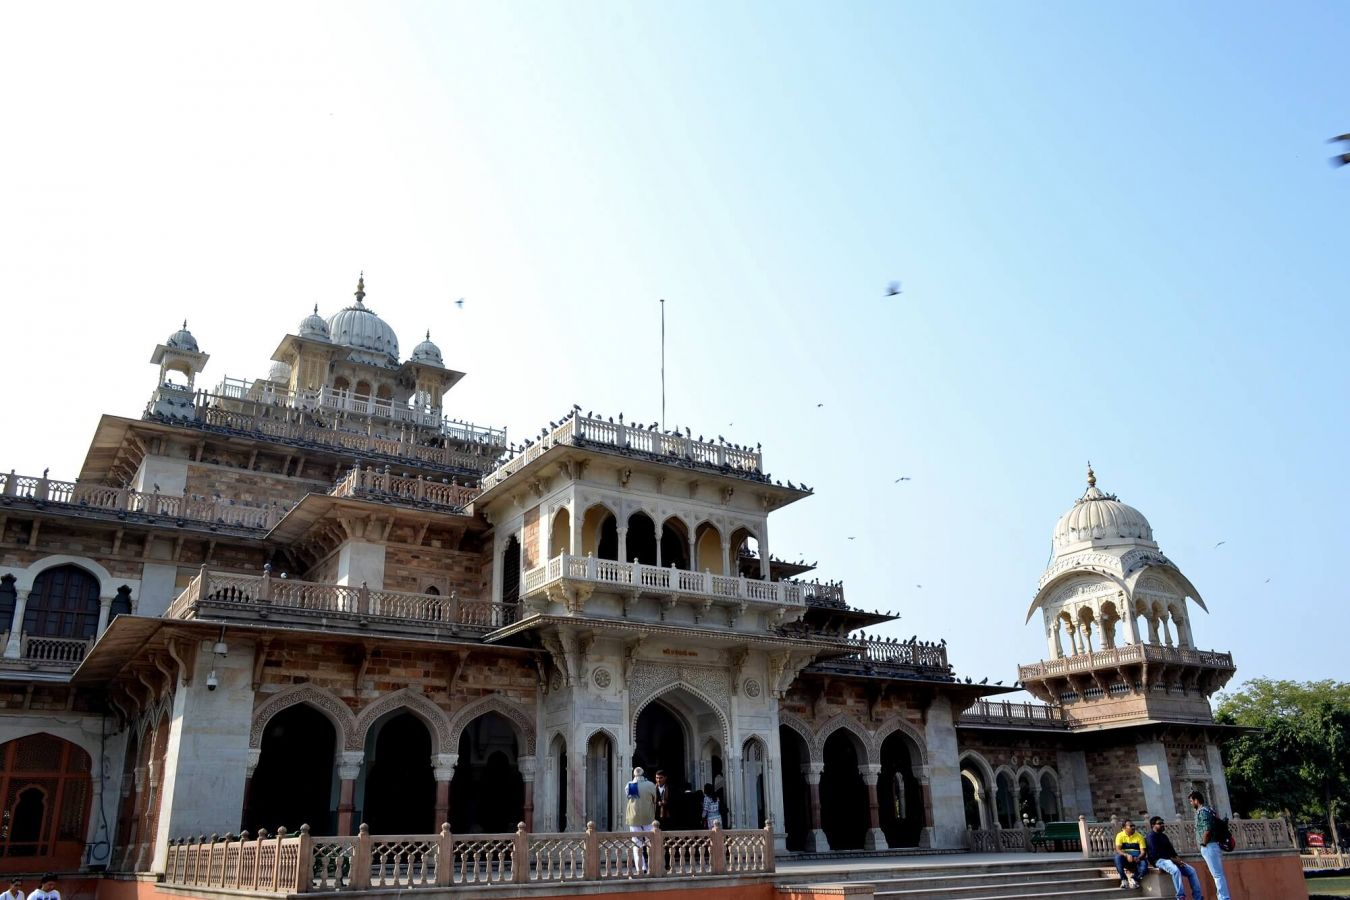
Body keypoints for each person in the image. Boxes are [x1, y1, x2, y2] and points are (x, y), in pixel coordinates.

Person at [1145, 816, 1204, 900]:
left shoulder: (1164, 836)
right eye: (1159, 823)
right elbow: (1156, 854)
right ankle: (1180, 896)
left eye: (1162, 823)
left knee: (1191, 871)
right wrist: (1173, 860)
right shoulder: (1151, 837)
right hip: (1159, 861)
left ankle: (1198, 897)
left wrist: (1179, 860)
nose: (1162, 825)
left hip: (1171, 860)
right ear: (1153, 825)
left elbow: (1172, 851)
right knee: (1175, 870)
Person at [1189, 790, 1231, 900]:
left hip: (1209, 846)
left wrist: (1203, 843)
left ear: (1196, 800)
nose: (1191, 803)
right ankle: (1222, 896)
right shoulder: (1208, 810)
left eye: (1191, 801)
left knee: (1217, 874)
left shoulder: (1203, 812)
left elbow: (1207, 829)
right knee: (1217, 874)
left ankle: (1224, 897)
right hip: (1211, 845)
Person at [624, 767, 659, 874]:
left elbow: (629, 797)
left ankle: (641, 868)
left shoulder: (629, 785)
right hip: (648, 816)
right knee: (651, 842)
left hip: (633, 817)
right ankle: (653, 866)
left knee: (637, 843)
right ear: (643, 774)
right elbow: (655, 799)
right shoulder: (650, 785)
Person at [1113, 819, 1148, 889]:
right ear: (1124, 828)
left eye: (1134, 826)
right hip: (1125, 857)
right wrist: (1126, 855)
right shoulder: (1120, 835)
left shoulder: (1139, 836)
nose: (1133, 827)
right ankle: (1124, 879)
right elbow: (1118, 849)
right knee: (1117, 858)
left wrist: (1138, 858)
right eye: (1131, 826)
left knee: (1144, 867)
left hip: (1137, 857)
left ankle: (1134, 879)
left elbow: (1143, 852)